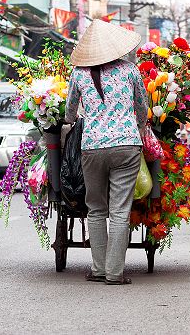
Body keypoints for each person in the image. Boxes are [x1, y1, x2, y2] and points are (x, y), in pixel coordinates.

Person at [65, 19, 148, 285]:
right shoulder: (130, 70)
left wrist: (76, 118)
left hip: (91, 147)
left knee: (96, 209)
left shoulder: (78, 73)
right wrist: (140, 128)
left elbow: (69, 112)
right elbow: (141, 107)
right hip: (126, 145)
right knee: (120, 211)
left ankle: (99, 269)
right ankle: (114, 273)